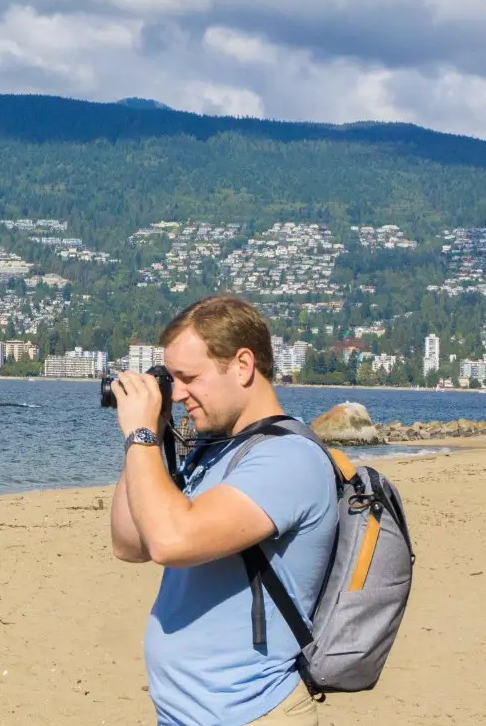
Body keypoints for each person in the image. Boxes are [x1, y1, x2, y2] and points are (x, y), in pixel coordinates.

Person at [109, 295, 337, 725]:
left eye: (188, 377)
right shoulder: (214, 451)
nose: (176, 394)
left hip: (252, 714)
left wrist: (139, 432)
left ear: (243, 365)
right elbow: (129, 543)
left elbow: (170, 542)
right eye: (169, 379)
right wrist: (150, 439)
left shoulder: (289, 460)